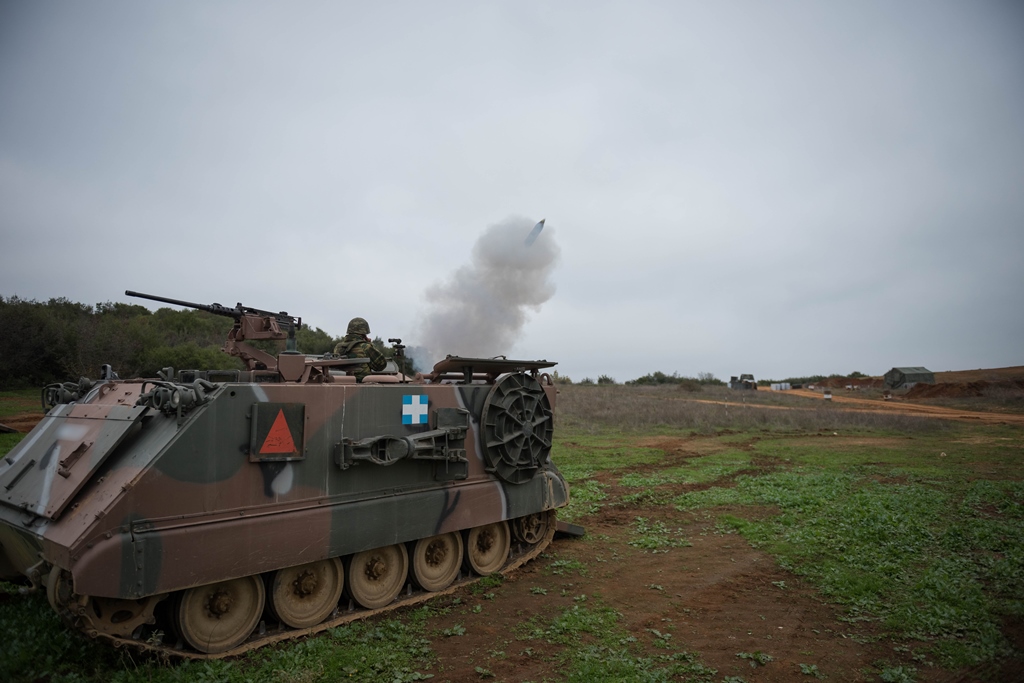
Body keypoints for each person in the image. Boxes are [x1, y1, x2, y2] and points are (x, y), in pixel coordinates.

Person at [333, 317, 387, 382]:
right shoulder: (365, 347)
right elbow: (381, 365)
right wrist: (370, 345)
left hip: (342, 382)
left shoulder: (338, 347)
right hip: (362, 383)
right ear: (363, 334)